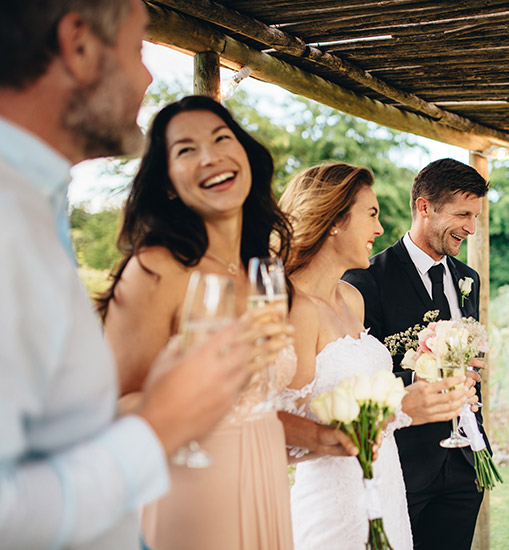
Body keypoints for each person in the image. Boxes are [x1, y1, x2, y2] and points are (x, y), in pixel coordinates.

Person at [0, 2, 271, 549]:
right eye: (139, 48)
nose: (148, 77)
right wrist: (161, 422)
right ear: (79, 45)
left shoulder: (37, 206)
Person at [98, 95, 308, 549]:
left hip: (268, 476)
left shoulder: (263, 271)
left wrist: (325, 436)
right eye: (186, 149)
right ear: (169, 182)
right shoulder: (157, 268)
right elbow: (111, 413)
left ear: (246, 157)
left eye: (220, 138)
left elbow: (260, 401)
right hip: (190, 488)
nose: (210, 156)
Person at [279, 163, 472, 550]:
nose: (380, 229)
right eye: (371, 214)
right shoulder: (295, 308)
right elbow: (277, 432)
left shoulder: (351, 299)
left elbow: (360, 396)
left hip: (385, 488)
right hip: (333, 506)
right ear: (334, 221)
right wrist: (399, 410)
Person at [343, 158, 492, 550]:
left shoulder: (467, 280)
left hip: (465, 462)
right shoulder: (366, 280)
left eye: (475, 216)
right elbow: (355, 377)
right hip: (405, 463)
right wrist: (419, 380)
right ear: (425, 207)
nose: (471, 228)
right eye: (462, 214)